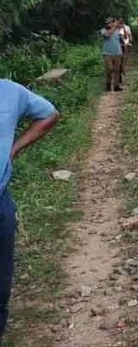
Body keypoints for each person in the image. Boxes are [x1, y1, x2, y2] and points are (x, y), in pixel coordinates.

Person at [0, 80, 58, 338]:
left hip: (0, 202)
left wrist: (12, 150)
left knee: (0, 287)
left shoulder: (10, 91)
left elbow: (49, 114)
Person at [100, 18, 123, 91]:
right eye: (106, 23)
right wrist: (114, 27)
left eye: (109, 23)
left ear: (112, 23)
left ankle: (116, 86)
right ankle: (108, 84)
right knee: (109, 69)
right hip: (107, 54)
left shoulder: (117, 30)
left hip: (117, 53)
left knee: (117, 70)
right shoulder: (103, 30)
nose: (108, 24)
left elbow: (121, 38)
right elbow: (107, 35)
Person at [118, 19, 133, 85]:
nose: (119, 25)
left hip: (125, 46)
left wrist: (130, 41)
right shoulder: (116, 29)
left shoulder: (126, 28)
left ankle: (122, 70)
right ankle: (120, 73)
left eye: (120, 23)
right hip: (118, 47)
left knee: (123, 61)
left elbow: (128, 36)